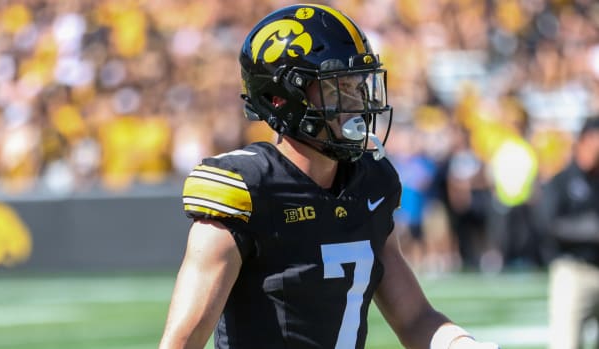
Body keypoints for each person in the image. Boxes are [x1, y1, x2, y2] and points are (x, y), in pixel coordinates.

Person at [159, 4, 500, 349]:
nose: (357, 103)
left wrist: (462, 344)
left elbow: (414, 318)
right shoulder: (246, 189)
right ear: (283, 99)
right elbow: (183, 340)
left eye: (358, 86)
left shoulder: (370, 183)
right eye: (338, 89)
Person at [536, 116, 599, 349]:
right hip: (574, 271)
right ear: (584, 141)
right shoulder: (562, 180)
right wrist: (589, 229)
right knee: (567, 342)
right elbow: (547, 223)